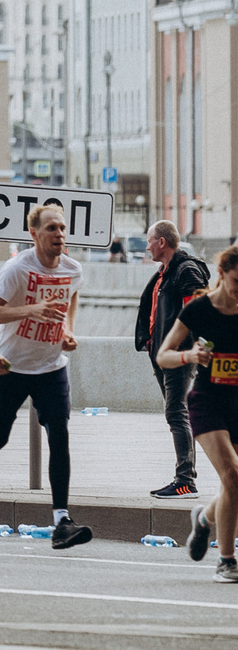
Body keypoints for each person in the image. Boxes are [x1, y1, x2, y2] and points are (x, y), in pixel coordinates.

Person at [0, 204, 92, 549]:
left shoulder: (73, 269)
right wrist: (31, 309)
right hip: (11, 366)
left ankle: (62, 521)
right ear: (34, 234)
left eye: (62, 228)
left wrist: (68, 331)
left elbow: (71, 300)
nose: (59, 234)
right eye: (51, 229)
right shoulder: (17, 269)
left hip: (51, 367)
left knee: (59, 436)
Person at [153, 242, 238, 578]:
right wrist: (190, 356)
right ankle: (227, 561)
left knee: (235, 484)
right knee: (231, 474)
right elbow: (164, 354)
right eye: (237, 281)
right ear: (222, 275)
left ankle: (203, 519)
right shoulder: (200, 309)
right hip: (207, 400)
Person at [141, 220, 213, 499]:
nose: (146, 246)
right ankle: (185, 477)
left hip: (178, 356)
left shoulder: (186, 270)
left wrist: (192, 350)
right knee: (177, 412)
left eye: (149, 241)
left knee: (176, 412)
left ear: (162, 242)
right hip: (163, 355)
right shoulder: (165, 272)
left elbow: (195, 312)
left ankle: (185, 481)